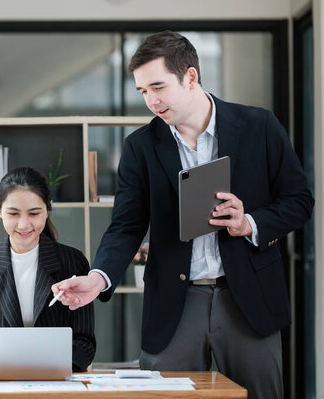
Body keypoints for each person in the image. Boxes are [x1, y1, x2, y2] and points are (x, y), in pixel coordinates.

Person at [51, 31, 314, 399]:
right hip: (175, 302)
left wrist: (249, 223)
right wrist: (98, 278)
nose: (151, 101)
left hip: (249, 298)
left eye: (158, 86)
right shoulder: (140, 147)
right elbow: (126, 227)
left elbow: (299, 201)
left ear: (190, 77)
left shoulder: (260, 127)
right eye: (143, 91)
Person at [0, 167, 96, 371]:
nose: (24, 224)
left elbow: (85, 343)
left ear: (48, 208)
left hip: (57, 385)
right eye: (13, 213)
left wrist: (50, 369)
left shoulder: (73, 262)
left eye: (34, 213)